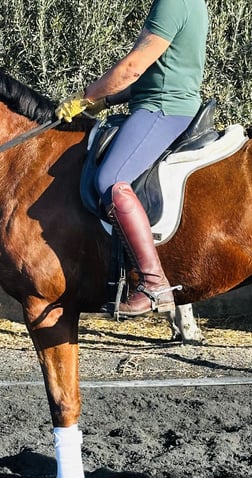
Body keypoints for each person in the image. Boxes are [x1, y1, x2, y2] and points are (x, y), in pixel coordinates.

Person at [56, 0, 209, 317]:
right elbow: (155, 73)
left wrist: (87, 97)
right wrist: (107, 99)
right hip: (161, 103)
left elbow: (133, 67)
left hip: (163, 109)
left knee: (109, 180)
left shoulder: (172, 3)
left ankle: (153, 283)